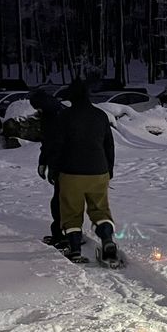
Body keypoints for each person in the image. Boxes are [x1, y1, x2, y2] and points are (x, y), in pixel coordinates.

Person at [54, 78, 117, 264]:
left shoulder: (64, 116)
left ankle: (74, 250)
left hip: (71, 172)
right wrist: (109, 170)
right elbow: (109, 146)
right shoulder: (100, 115)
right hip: (99, 171)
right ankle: (107, 241)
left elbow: (57, 146)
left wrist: (54, 170)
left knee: (71, 213)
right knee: (100, 210)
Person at [29, 88, 66, 249]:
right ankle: (69, 233)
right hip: (66, 162)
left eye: (36, 108)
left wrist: (49, 166)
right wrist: (43, 162)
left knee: (59, 200)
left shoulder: (52, 118)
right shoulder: (58, 112)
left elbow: (51, 143)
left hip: (62, 163)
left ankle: (62, 235)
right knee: (63, 199)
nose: (36, 111)